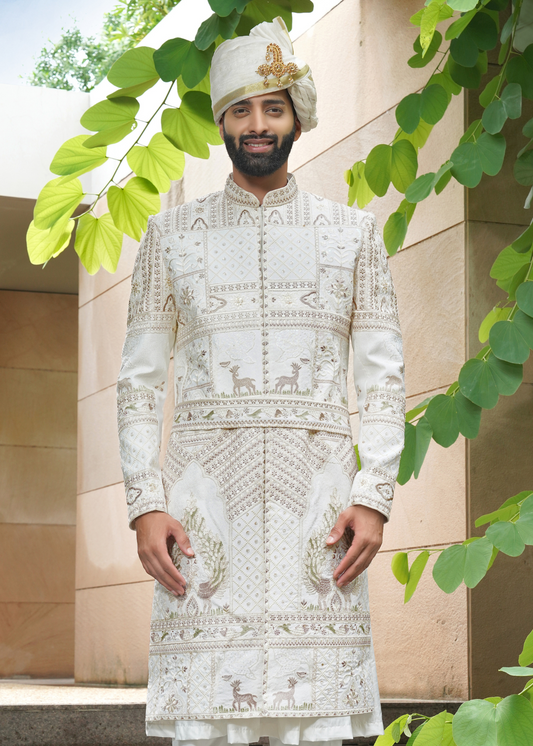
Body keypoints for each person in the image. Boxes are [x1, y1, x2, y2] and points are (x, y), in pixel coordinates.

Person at [116, 15, 406, 746]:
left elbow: (380, 380)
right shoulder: (169, 238)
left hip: (321, 511)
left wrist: (373, 498)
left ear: (296, 120)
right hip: (203, 511)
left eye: (271, 107)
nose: (256, 123)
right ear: (220, 121)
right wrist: (144, 504)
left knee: (315, 721)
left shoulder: (354, 236)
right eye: (240, 108)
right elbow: (140, 384)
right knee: (209, 722)